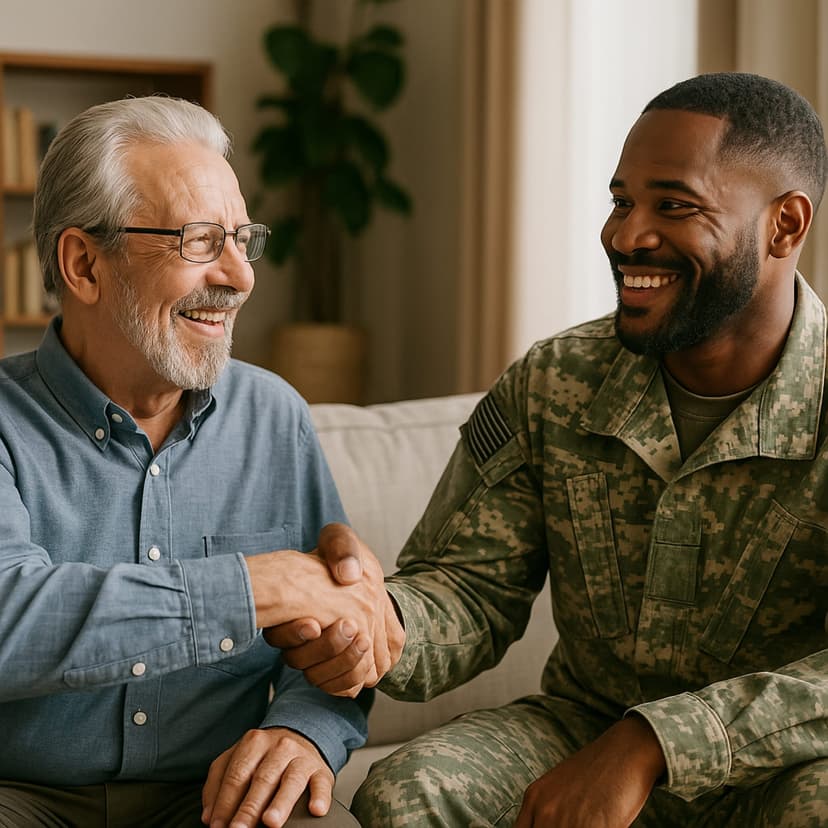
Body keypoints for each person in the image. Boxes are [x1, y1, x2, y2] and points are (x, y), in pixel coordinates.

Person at [273, 72, 828, 826]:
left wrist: (654, 743)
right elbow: (468, 588)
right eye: (622, 201)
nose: (627, 235)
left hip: (781, 764)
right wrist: (372, 621)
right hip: (583, 725)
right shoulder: (555, 379)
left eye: (675, 205)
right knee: (412, 794)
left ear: (785, 226)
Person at [0, 95, 402, 828]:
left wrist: (305, 728)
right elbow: (7, 618)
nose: (241, 275)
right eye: (198, 242)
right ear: (84, 264)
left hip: (216, 797)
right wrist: (254, 587)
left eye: (244, 239)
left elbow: (338, 638)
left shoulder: (274, 415)